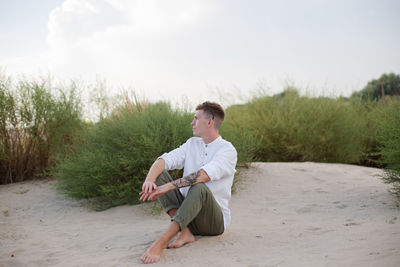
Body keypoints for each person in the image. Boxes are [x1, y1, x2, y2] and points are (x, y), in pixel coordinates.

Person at [139, 101, 237, 264]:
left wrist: (169, 187)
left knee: (199, 187)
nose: (192, 123)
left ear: (210, 121)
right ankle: (185, 231)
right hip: (188, 216)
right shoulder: (192, 144)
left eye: (196, 118)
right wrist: (149, 180)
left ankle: (160, 243)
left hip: (212, 223)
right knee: (159, 174)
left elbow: (204, 175)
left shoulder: (227, 150)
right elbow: (164, 159)